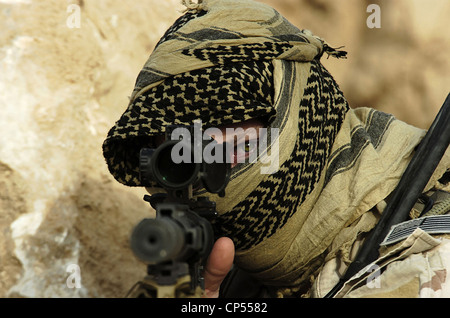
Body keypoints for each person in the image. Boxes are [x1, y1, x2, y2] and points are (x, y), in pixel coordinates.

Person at [102, 0, 450, 298]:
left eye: (227, 136)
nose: (208, 167)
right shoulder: (253, 280)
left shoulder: (429, 258)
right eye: (182, 157)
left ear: (299, 113)